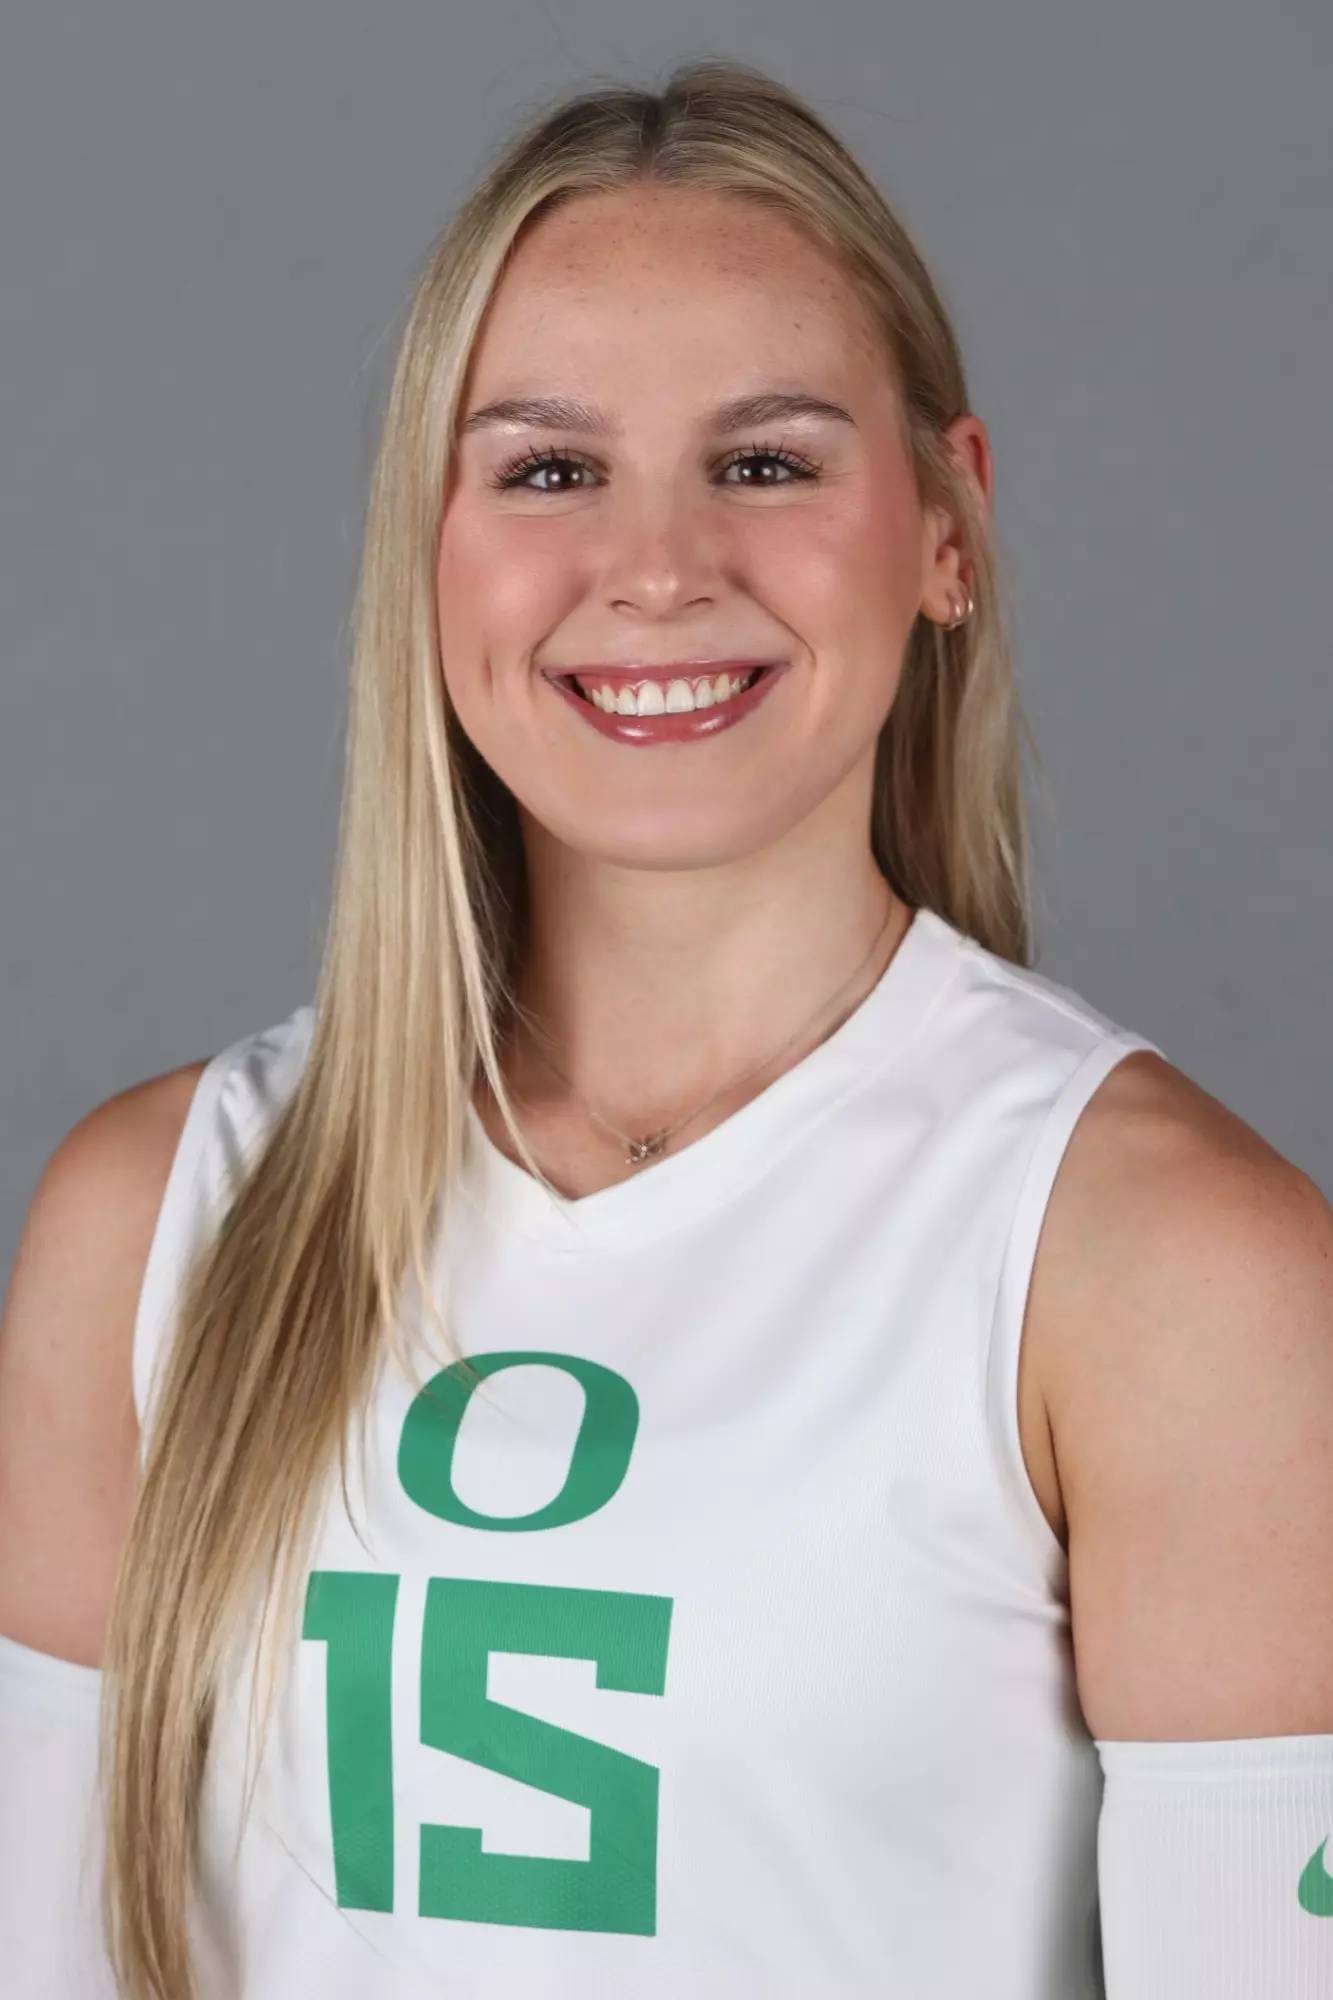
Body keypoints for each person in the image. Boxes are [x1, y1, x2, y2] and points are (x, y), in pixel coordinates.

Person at [1, 54, 1330, 2000]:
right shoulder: (156, 1219)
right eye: (549, 470)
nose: (656, 569)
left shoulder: (1162, 1271)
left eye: (768, 461)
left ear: (949, 529)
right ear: (427, 549)